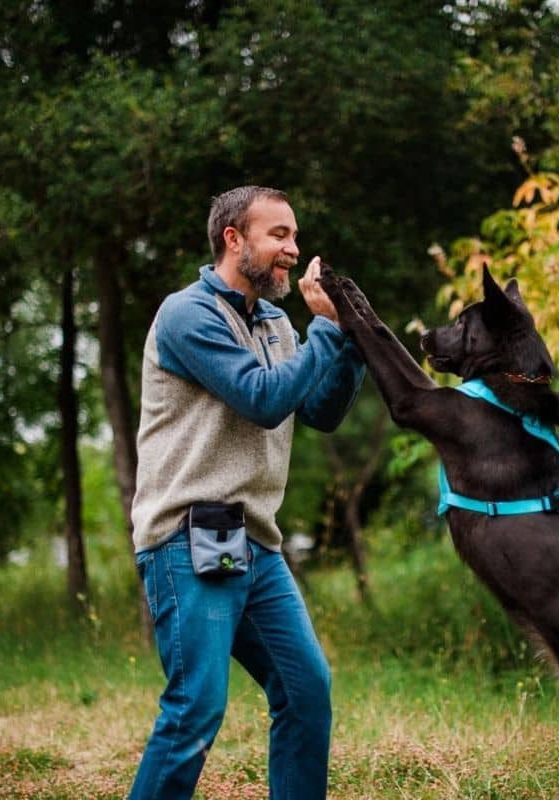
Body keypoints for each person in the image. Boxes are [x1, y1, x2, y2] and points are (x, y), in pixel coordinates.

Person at [128, 185, 365, 799]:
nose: (293, 249)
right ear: (234, 239)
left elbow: (317, 409)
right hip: (187, 536)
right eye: (278, 235)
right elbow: (262, 398)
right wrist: (324, 338)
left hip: (254, 542)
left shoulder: (277, 322)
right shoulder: (189, 314)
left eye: (294, 235)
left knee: (305, 690)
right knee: (196, 710)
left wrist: (346, 340)